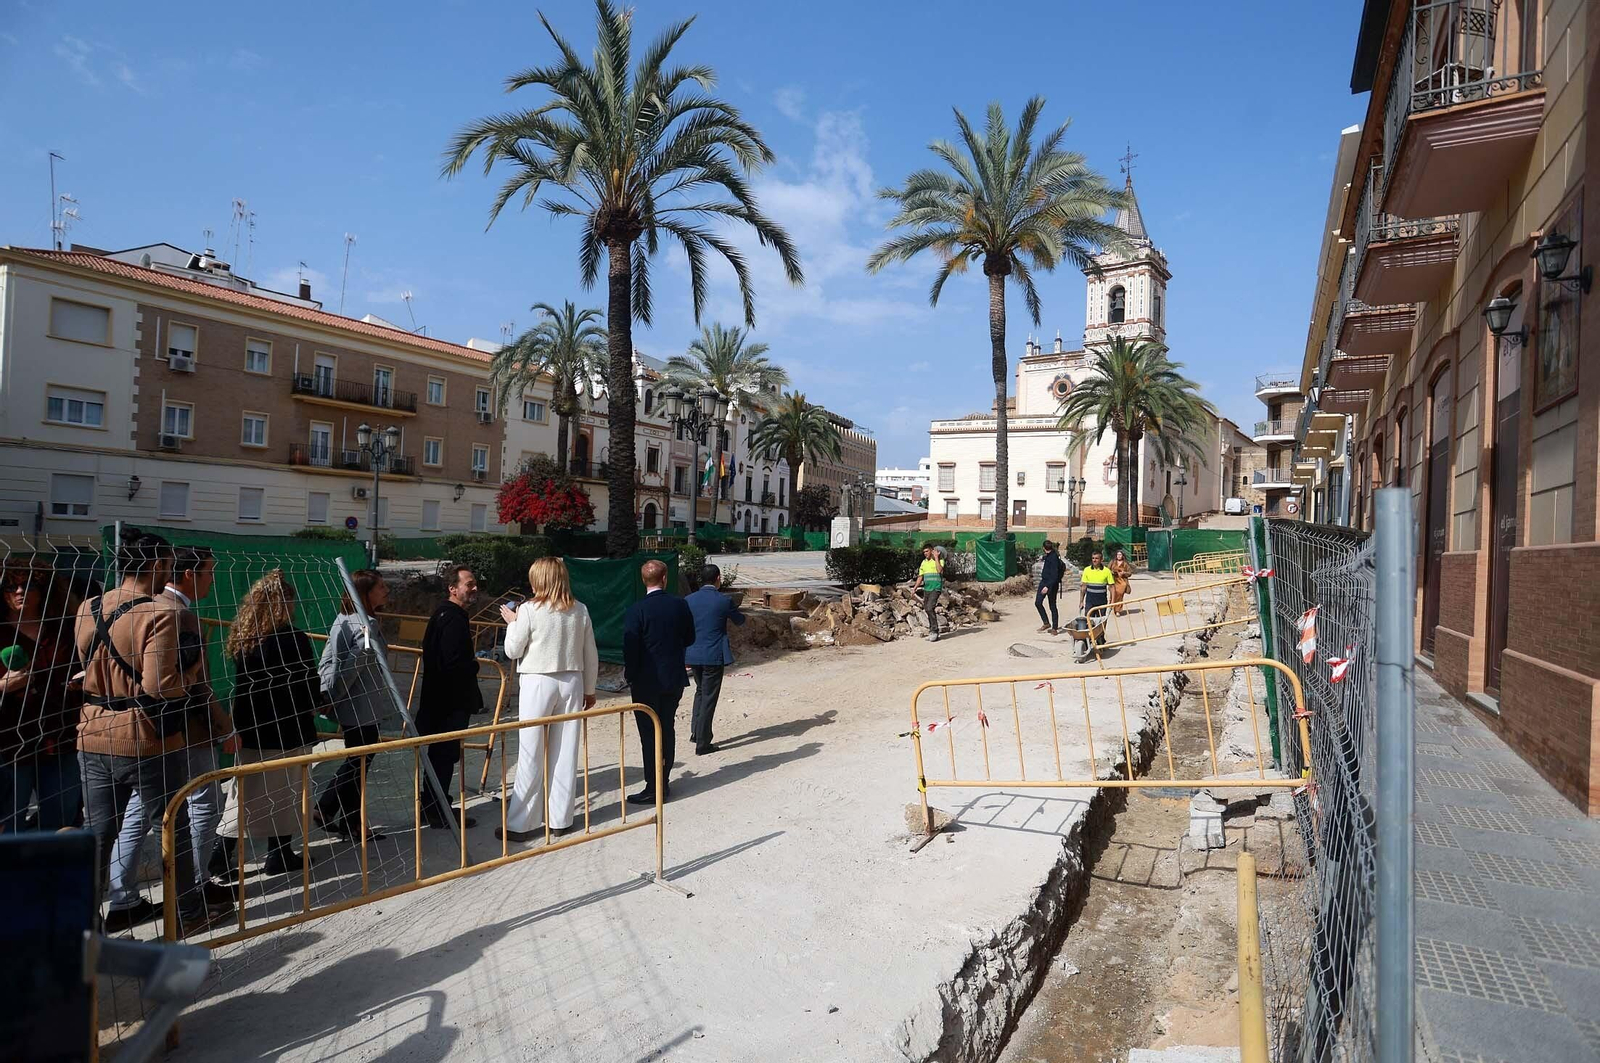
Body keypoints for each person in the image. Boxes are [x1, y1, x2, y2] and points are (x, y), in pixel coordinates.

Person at [76, 529, 224, 931]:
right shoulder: (164, 613)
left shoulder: (88, 606)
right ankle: (189, 914)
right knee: (172, 829)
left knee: (98, 835)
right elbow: (161, 686)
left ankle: (86, 925)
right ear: (159, 565)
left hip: (90, 732)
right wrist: (192, 674)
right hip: (145, 738)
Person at [105, 546, 237, 929]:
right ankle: (191, 887)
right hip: (181, 729)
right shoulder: (177, 614)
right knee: (202, 805)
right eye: (209, 572)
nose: (212, 579)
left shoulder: (135, 606)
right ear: (188, 574)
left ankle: (122, 898)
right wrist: (223, 726)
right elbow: (193, 684)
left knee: (137, 812)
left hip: (137, 727)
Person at [224, 570, 323, 875]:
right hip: (287, 726)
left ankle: (221, 854)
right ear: (283, 603)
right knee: (287, 791)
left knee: (244, 792)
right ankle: (279, 853)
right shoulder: (293, 638)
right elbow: (308, 684)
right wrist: (318, 705)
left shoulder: (244, 636)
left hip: (250, 725)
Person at [496, 558, 598, 842]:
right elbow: (591, 653)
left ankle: (521, 823)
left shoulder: (529, 610)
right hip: (572, 680)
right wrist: (589, 689)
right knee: (565, 752)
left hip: (538, 680)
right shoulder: (580, 610)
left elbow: (513, 650)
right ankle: (560, 820)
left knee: (530, 751)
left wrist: (512, 624)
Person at [0, 557, 84, 833]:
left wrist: (79, 683)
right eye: (11, 586)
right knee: (7, 825)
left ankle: (49, 875)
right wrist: (3, 687)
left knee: (60, 822)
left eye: (29, 585)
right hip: (9, 744)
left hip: (58, 740)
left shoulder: (63, 629)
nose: (20, 591)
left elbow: (80, 669)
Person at [313, 569, 392, 841]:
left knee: (356, 762)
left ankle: (344, 820)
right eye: (381, 587)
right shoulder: (364, 625)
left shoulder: (344, 618)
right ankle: (331, 811)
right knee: (357, 764)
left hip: (355, 705)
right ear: (365, 593)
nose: (386, 591)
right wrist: (331, 698)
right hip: (360, 707)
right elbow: (353, 666)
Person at [621, 559, 695, 804]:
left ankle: (654, 786)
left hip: (645, 681)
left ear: (644, 580)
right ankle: (664, 782)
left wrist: (631, 676)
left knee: (648, 733)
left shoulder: (636, 610)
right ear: (664, 579)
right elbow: (690, 637)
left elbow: (630, 648)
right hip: (673, 677)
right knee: (667, 728)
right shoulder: (680, 605)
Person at [418, 564, 481, 829]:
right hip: (449, 703)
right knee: (443, 755)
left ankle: (434, 806)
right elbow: (453, 662)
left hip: (441, 700)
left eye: (475, 582)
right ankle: (437, 810)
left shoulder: (446, 615)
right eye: (469, 584)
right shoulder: (452, 618)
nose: (474, 587)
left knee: (440, 755)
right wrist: (474, 665)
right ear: (453, 589)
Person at [684, 564, 745, 755]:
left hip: (692, 654)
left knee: (700, 691)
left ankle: (695, 731)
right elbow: (740, 621)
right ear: (718, 578)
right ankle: (703, 742)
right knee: (709, 697)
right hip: (713, 655)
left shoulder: (688, 600)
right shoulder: (723, 600)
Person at [1079, 550, 1115, 646]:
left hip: (1101, 601)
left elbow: (1112, 587)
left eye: (1096, 558)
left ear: (1101, 559)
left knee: (1101, 622)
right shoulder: (1087, 570)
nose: (1094, 560)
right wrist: (1081, 601)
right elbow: (1083, 587)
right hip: (1090, 601)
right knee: (1088, 621)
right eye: (1093, 558)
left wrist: (1112, 601)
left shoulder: (1106, 571)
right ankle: (1087, 640)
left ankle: (1100, 639)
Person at [911, 544, 945, 642]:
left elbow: (939, 570)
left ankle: (934, 631)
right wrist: (914, 588)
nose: (925, 553)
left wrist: (937, 558)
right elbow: (920, 577)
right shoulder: (924, 563)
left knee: (930, 608)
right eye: (924, 552)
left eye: (927, 551)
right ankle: (932, 631)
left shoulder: (940, 560)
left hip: (936, 588)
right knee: (927, 609)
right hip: (927, 589)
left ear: (932, 551)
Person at [1035, 541, 1065, 636]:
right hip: (1043, 582)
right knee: (1038, 603)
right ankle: (1046, 623)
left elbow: (1055, 576)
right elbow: (1047, 558)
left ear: (1043, 548)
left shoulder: (1054, 558)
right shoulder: (1049, 556)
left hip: (1051, 584)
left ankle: (1054, 628)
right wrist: (1042, 558)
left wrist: (1047, 587)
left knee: (1052, 605)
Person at [1110, 549, 1134, 616]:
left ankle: (1118, 610)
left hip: (1122, 582)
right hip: (1113, 581)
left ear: (1123, 556)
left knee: (1120, 595)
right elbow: (1108, 570)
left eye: (1120, 554)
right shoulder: (1113, 562)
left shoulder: (1125, 564)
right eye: (1118, 554)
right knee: (1113, 595)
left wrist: (1124, 573)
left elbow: (1130, 573)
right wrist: (1112, 572)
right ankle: (1112, 607)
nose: (1119, 556)